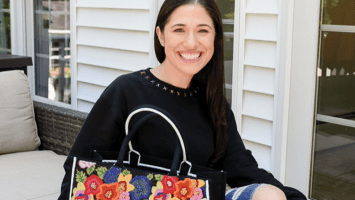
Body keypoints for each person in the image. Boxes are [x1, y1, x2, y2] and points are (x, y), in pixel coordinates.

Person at [59, 0, 307, 199]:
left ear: (214, 38)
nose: (191, 42)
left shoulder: (213, 102)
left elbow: (241, 167)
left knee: (269, 196)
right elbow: (78, 167)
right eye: (179, 30)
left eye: (203, 31)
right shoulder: (127, 91)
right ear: (161, 36)